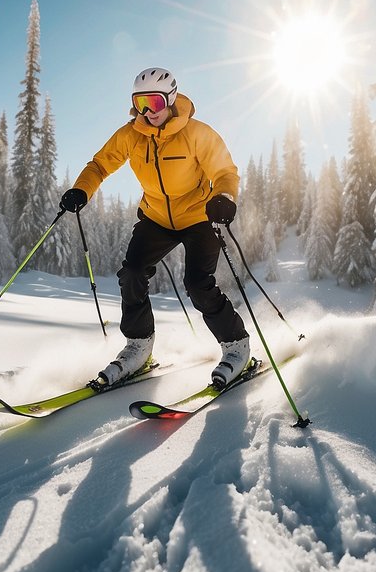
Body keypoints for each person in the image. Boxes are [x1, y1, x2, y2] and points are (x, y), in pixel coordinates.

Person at [59, 67, 251, 388]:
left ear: (170, 100)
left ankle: (236, 346)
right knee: (132, 274)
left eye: (155, 103)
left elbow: (224, 169)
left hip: (198, 218)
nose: (149, 112)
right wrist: (82, 189)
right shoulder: (130, 135)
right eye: (141, 103)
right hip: (156, 218)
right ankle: (139, 346)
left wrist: (225, 196)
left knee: (198, 284)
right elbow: (100, 164)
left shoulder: (197, 133)